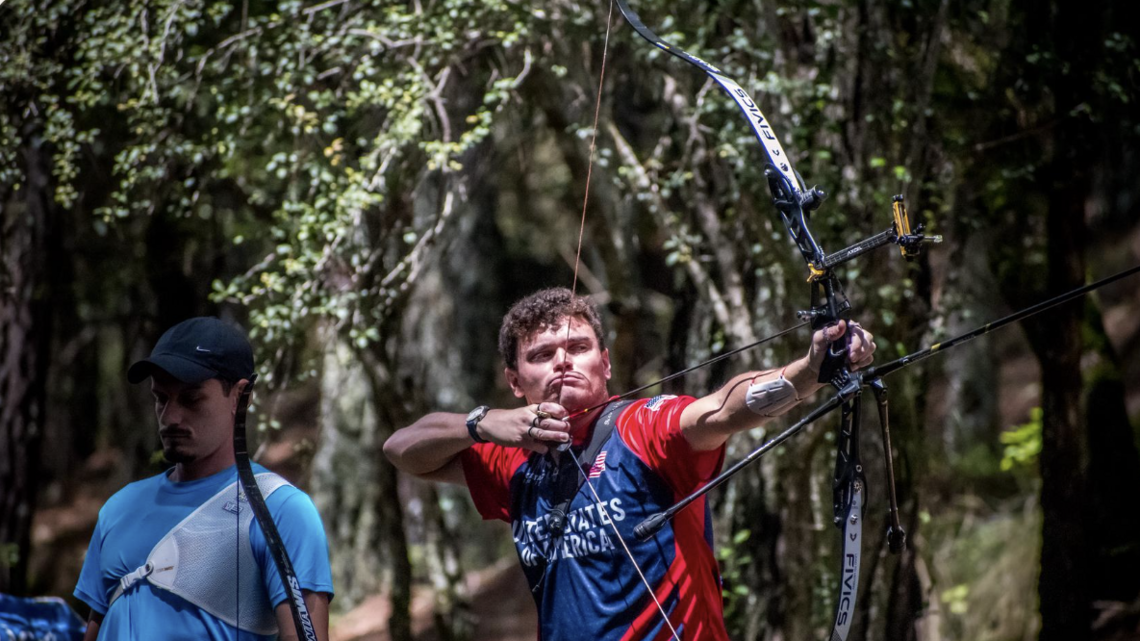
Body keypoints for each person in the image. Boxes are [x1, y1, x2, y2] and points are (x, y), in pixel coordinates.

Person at [384, 288, 876, 641]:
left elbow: (726, 408)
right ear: (515, 380)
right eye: (542, 354)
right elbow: (402, 450)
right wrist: (483, 423)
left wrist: (809, 371)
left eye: (577, 348)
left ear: (606, 364)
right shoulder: (510, 456)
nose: (563, 362)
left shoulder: (644, 427)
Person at [74, 317, 334, 641]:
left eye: (191, 399)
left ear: (241, 396)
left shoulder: (280, 510)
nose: (170, 417)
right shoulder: (119, 508)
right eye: (161, 398)